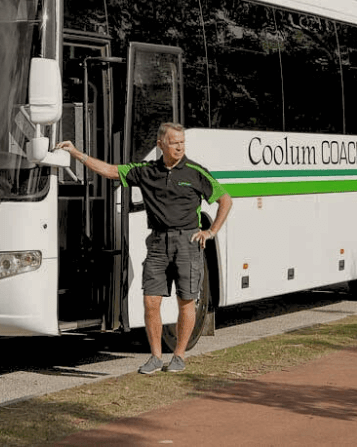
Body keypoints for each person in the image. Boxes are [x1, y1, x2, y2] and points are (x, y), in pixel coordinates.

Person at [56, 122, 232, 374]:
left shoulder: (195, 172)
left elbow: (225, 199)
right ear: (160, 145)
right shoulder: (145, 171)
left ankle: (179, 356)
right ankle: (156, 357)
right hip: (158, 243)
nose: (180, 147)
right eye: (174, 142)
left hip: (187, 243)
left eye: (182, 142)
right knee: (151, 301)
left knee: (187, 301)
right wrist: (77, 154)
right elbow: (109, 171)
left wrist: (211, 231)